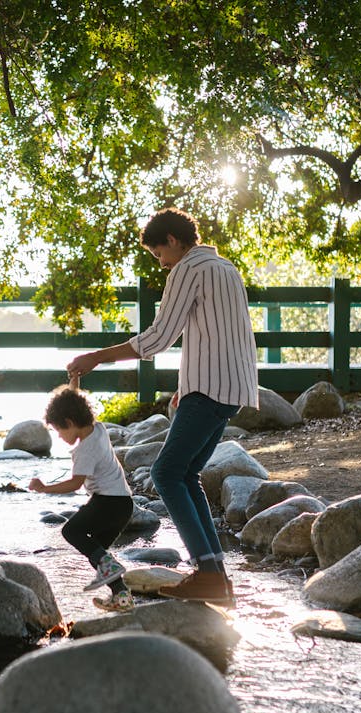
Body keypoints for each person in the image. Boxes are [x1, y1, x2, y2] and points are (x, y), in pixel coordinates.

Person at [66, 207, 259, 605]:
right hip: (232, 387)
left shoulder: (187, 270)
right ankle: (216, 577)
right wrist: (186, 385)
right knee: (186, 474)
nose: (161, 262)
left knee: (166, 473)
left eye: (159, 254)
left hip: (208, 390)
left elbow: (158, 338)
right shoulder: (227, 268)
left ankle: (207, 572)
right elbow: (224, 334)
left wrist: (97, 357)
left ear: (172, 240)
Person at [29, 381, 136, 612]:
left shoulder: (84, 450)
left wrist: (44, 488)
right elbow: (74, 401)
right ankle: (122, 596)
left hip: (108, 502)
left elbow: (75, 484)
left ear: (69, 423)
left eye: (59, 430)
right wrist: (74, 379)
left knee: (71, 531)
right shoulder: (97, 428)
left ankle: (117, 581)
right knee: (96, 553)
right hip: (124, 504)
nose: (59, 436)